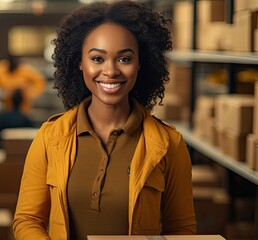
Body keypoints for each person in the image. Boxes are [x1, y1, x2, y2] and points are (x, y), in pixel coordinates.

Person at [13, 1, 196, 239]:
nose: (110, 71)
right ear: (80, 62)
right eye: (97, 59)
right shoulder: (50, 137)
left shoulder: (169, 144)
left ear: (141, 63)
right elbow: (28, 220)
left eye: (124, 59)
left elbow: (182, 230)